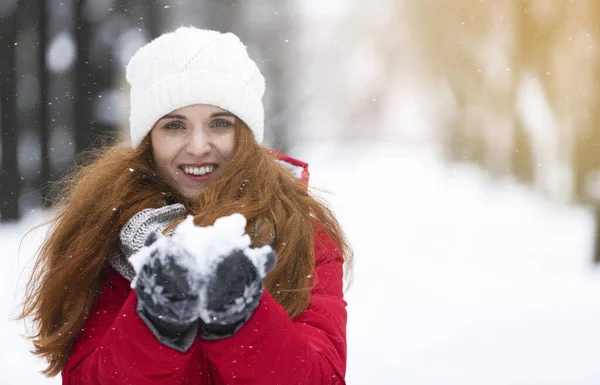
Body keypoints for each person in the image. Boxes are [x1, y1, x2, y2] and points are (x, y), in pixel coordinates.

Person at [19, 26, 352, 384]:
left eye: (220, 123)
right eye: (174, 125)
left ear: (246, 134)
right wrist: (156, 321)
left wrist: (243, 318)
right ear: (149, 139)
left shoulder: (299, 228)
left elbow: (323, 378)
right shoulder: (107, 228)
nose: (198, 146)